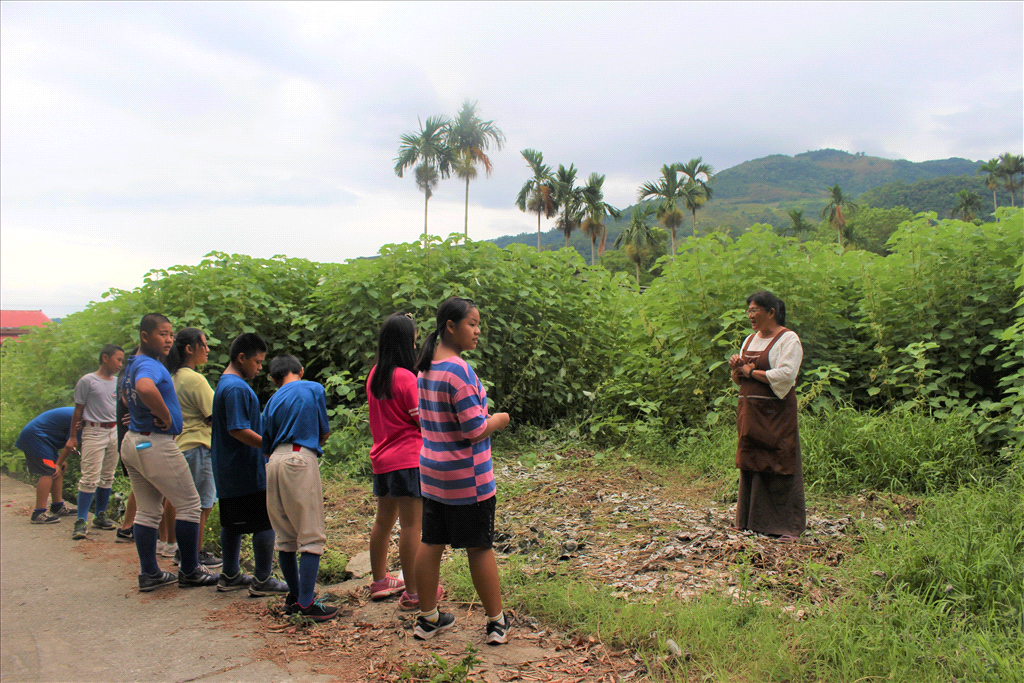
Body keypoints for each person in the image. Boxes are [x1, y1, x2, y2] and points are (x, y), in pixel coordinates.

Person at [413, 297, 512, 644]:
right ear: (450, 326)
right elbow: (474, 429)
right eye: (472, 323)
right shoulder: (459, 371)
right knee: (479, 547)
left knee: (431, 542)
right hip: (468, 479)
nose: (477, 330)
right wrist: (498, 420)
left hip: (433, 475)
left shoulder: (426, 367)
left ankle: (428, 619)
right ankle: (496, 623)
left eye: (478, 324)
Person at [121, 313, 218, 592]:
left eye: (170, 334)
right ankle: (190, 570)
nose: (168, 339)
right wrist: (164, 414)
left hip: (135, 442)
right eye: (162, 334)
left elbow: (127, 395)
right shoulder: (148, 364)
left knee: (148, 510)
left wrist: (141, 413)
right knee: (190, 504)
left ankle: (150, 573)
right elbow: (144, 387)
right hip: (155, 443)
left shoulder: (132, 363)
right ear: (144, 336)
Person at [366, 313, 441, 611]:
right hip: (408, 460)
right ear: (405, 342)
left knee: (383, 521)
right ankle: (414, 592)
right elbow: (423, 421)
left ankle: (379, 581)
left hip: (382, 459)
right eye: (414, 338)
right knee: (411, 526)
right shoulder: (406, 378)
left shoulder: (375, 374)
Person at [211, 333, 288, 597]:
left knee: (232, 522)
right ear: (241, 357)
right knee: (265, 523)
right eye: (257, 362)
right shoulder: (235, 388)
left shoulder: (226, 384)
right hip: (245, 468)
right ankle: (263, 579)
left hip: (228, 467)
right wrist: (269, 446)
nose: (259, 367)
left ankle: (230, 574)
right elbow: (238, 429)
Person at [262, 354, 337, 622]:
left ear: (274, 379)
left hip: (273, 461)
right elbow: (323, 431)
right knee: (311, 535)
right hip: (299, 457)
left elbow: (265, 442)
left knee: (285, 536)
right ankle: (307, 603)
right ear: (301, 370)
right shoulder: (312, 387)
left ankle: (294, 597)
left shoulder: (271, 401)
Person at [728, 290, 806, 541]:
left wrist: (751, 372)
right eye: (749, 310)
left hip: (776, 414)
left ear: (771, 312)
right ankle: (748, 522)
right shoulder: (750, 340)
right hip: (750, 412)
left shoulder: (788, 339)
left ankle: (786, 527)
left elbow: (786, 375)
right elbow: (739, 380)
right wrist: (737, 369)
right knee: (751, 460)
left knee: (779, 461)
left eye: (755, 310)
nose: (750, 315)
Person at [166, 327, 222, 569]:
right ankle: (193, 554)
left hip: (182, 445)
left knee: (189, 504)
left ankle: (186, 551)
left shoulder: (175, 377)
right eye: (204, 345)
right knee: (202, 504)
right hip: (198, 446)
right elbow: (215, 414)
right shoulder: (194, 379)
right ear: (190, 349)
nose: (207, 350)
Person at [68, 344, 124, 540]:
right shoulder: (88, 381)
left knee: (107, 475)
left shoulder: (117, 382)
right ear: (105, 358)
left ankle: (100, 514)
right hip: (94, 430)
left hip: (114, 430)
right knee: (90, 476)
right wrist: (73, 436)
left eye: (122, 360)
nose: (120, 364)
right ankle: (81, 520)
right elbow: (78, 409)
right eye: (118, 359)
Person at [15, 408, 79, 523]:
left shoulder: (85, 415)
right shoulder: (81, 418)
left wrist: (60, 461)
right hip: (36, 437)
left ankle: (58, 506)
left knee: (58, 469)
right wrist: (58, 462)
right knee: (49, 471)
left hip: (46, 439)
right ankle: (38, 513)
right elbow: (71, 445)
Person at [114, 348, 138, 543]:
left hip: (128, 439)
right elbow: (127, 398)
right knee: (144, 485)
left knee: (141, 486)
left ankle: (128, 527)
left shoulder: (128, 374)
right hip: (133, 440)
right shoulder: (129, 375)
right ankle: (129, 527)